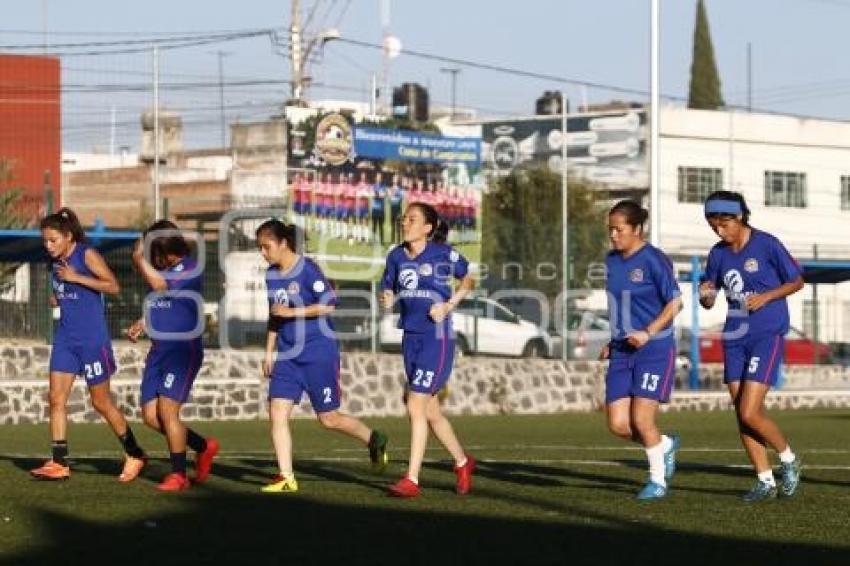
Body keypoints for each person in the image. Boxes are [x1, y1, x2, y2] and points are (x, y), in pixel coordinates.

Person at [256, 219, 388, 493]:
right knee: (277, 413)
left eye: (266, 247)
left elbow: (328, 305)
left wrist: (292, 312)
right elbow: (274, 314)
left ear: (283, 243)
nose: (263, 253)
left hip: (318, 353)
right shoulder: (270, 275)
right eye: (260, 248)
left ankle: (373, 438)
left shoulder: (307, 270)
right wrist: (268, 351)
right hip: (287, 356)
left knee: (328, 419)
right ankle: (286, 477)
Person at [699, 190, 803, 502]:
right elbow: (709, 298)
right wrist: (706, 295)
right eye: (713, 226)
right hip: (734, 337)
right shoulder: (717, 253)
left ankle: (788, 459)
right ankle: (765, 480)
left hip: (766, 333)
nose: (719, 231)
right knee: (741, 414)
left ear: (739, 217)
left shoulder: (767, 244)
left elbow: (797, 280)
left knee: (749, 410)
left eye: (724, 225)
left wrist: (768, 296)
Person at [31, 208, 147, 482]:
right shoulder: (55, 263)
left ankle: (135, 453)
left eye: (53, 240)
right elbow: (69, 292)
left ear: (68, 236)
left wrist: (77, 278)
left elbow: (113, 286)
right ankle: (59, 462)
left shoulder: (87, 255)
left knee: (101, 402)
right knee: (56, 399)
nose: (48, 246)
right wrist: (59, 297)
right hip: (65, 340)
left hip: (92, 341)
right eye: (45, 241)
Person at [380, 202, 476, 498]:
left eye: (412, 219)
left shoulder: (443, 253)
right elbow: (388, 287)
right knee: (431, 412)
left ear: (428, 228)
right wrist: (386, 296)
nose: (405, 223)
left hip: (437, 339)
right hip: (410, 338)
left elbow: (469, 278)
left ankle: (412, 479)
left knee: (414, 404)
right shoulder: (396, 256)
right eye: (403, 218)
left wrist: (448, 305)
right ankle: (462, 462)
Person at [127, 220, 219, 491]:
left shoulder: (190, 268)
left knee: (168, 412)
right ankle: (203, 447)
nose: (149, 258)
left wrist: (137, 258)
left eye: (150, 251)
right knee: (150, 417)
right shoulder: (162, 271)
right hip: (159, 351)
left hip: (182, 351)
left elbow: (160, 287)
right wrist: (142, 323)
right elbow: (160, 301)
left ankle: (178, 475)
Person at [601, 200, 682, 500]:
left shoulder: (654, 260)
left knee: (641, 421)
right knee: (618, 425)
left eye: (619, 230)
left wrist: (648, 333)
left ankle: (657, 481)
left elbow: (675, 303)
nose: (613, 235)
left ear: (636, 229)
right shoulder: (611, 260)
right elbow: (620, 305)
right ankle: (664, 445)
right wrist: (614, 340)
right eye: (610, 229)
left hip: (655, 349)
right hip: (623, 351)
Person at [371, 172, 387, 245]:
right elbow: (373, 195)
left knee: (381, 226)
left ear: (381, 178)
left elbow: (383, 195)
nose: (379, 178)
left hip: (381, 209)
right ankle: (373, 241)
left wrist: (377, 194)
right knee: (374, 226)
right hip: (375, 208)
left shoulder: (383, 186)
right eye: (377, 177)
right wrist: (378, 194)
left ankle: (381, 241)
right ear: (375, 178)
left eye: (380, 177)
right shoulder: (373, 186)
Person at [389, 175, 405, 244]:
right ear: (392, 180)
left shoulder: (400, 189)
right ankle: (392, 241)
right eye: (394, 179)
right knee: (392, 225)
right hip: (392, 208)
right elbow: (390, 196)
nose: (395, 180)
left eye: (396, 179)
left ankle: (398, 241)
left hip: (398, 209)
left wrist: (396, 193)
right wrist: (393, 193)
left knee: (398, 226)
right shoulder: (390, 188)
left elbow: (402, 196)